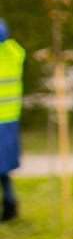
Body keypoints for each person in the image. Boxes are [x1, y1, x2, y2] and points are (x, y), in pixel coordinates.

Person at [0, 19, 23, 223]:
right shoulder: (13, 53)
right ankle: (10, 205)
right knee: (3, 167)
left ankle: (9, 206)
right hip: (9, 119)